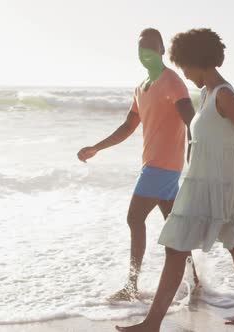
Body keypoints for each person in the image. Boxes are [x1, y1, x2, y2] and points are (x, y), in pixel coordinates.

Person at [116, 28, 234, 332]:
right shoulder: (205, 94)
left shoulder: (223, 95)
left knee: (181, 246)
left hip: (217, 185)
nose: (185, 75)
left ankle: (152, 324)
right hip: (207, 183)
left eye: (185, 67)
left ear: (196, 60)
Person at [77, 28, 197, 301]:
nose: (145, 52)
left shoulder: (172, 81)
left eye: (151, 47)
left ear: (162, 51)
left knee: (134, 218)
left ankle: (131, 286)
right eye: (141, 48)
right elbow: (128, 126)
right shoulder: (141, 88)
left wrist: (195, 149)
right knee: (174, 226)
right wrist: (97, 147)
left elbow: (192, 119)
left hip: (163, 166)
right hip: (154, 165)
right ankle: (195, 282)